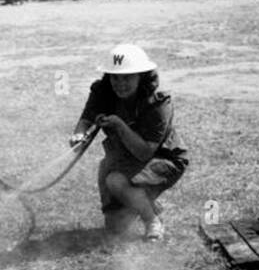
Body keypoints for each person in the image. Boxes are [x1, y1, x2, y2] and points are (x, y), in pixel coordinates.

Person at [69, 42, 188, 242]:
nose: (120, 83)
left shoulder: (158, 103)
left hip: (163, 158)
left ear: (141, 76)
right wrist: (78, 135)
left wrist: (118, 124)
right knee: (116, 226)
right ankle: (146, 203)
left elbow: (144, 152)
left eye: (127, 77)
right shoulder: (103, 92)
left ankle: (152, 220)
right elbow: (86, 119)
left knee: (114, 180)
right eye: (115, 77)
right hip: (125, 157)